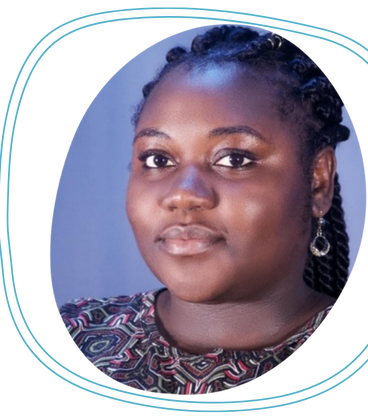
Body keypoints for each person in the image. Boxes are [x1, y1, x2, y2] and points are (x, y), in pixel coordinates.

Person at [57, 25, 351, 398]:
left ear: (318, 182)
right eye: (158, 159)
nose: (183, 194)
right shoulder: (74, 334)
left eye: (234, 159)